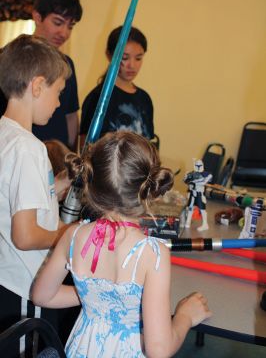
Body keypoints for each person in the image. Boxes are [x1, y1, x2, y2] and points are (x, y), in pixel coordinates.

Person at [31, 131, 212, 358]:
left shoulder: (73, 235)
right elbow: (158, 349)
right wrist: (185, 316)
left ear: (92, 187)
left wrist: (96, 295)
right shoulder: (152, 253)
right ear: (150, 191)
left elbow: (42, 296)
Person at [0, 34, 72, 357]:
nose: (58, 104)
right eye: (58, 93)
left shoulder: (6, 135)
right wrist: (69, 235)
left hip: (6, 278)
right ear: (38, 86)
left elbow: (18, 198)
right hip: (25, 287)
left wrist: (58, 184)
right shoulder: (29, 148)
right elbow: (26, 234)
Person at [79, 26, 154, 151]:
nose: (132, 65)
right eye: (124, 58)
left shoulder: (144, 99)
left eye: (138, 58)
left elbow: (149, 147)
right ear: (109, 55)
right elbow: (85, 150)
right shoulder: (97, 98)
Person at [32, 0, 83, 152]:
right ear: (37, 17)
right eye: (58, 23)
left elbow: (70, 115)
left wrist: (72, 155)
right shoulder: (11, 58)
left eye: (70, 26)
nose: (64, 33)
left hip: (58, 158)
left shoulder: (67, 64)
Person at [183, 159, 213, 231]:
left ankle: (205, 224)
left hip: (199, 194)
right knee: (190, 208)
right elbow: (185, 181)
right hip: (192, 194)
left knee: (202, 209)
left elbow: (204, 182)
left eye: (200, 165)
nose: (198, 167)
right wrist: (186, 177)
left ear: (202, 165)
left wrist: (194, 181)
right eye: (197, 165)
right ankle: (188, 222)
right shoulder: (191, 174)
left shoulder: (206, 174)